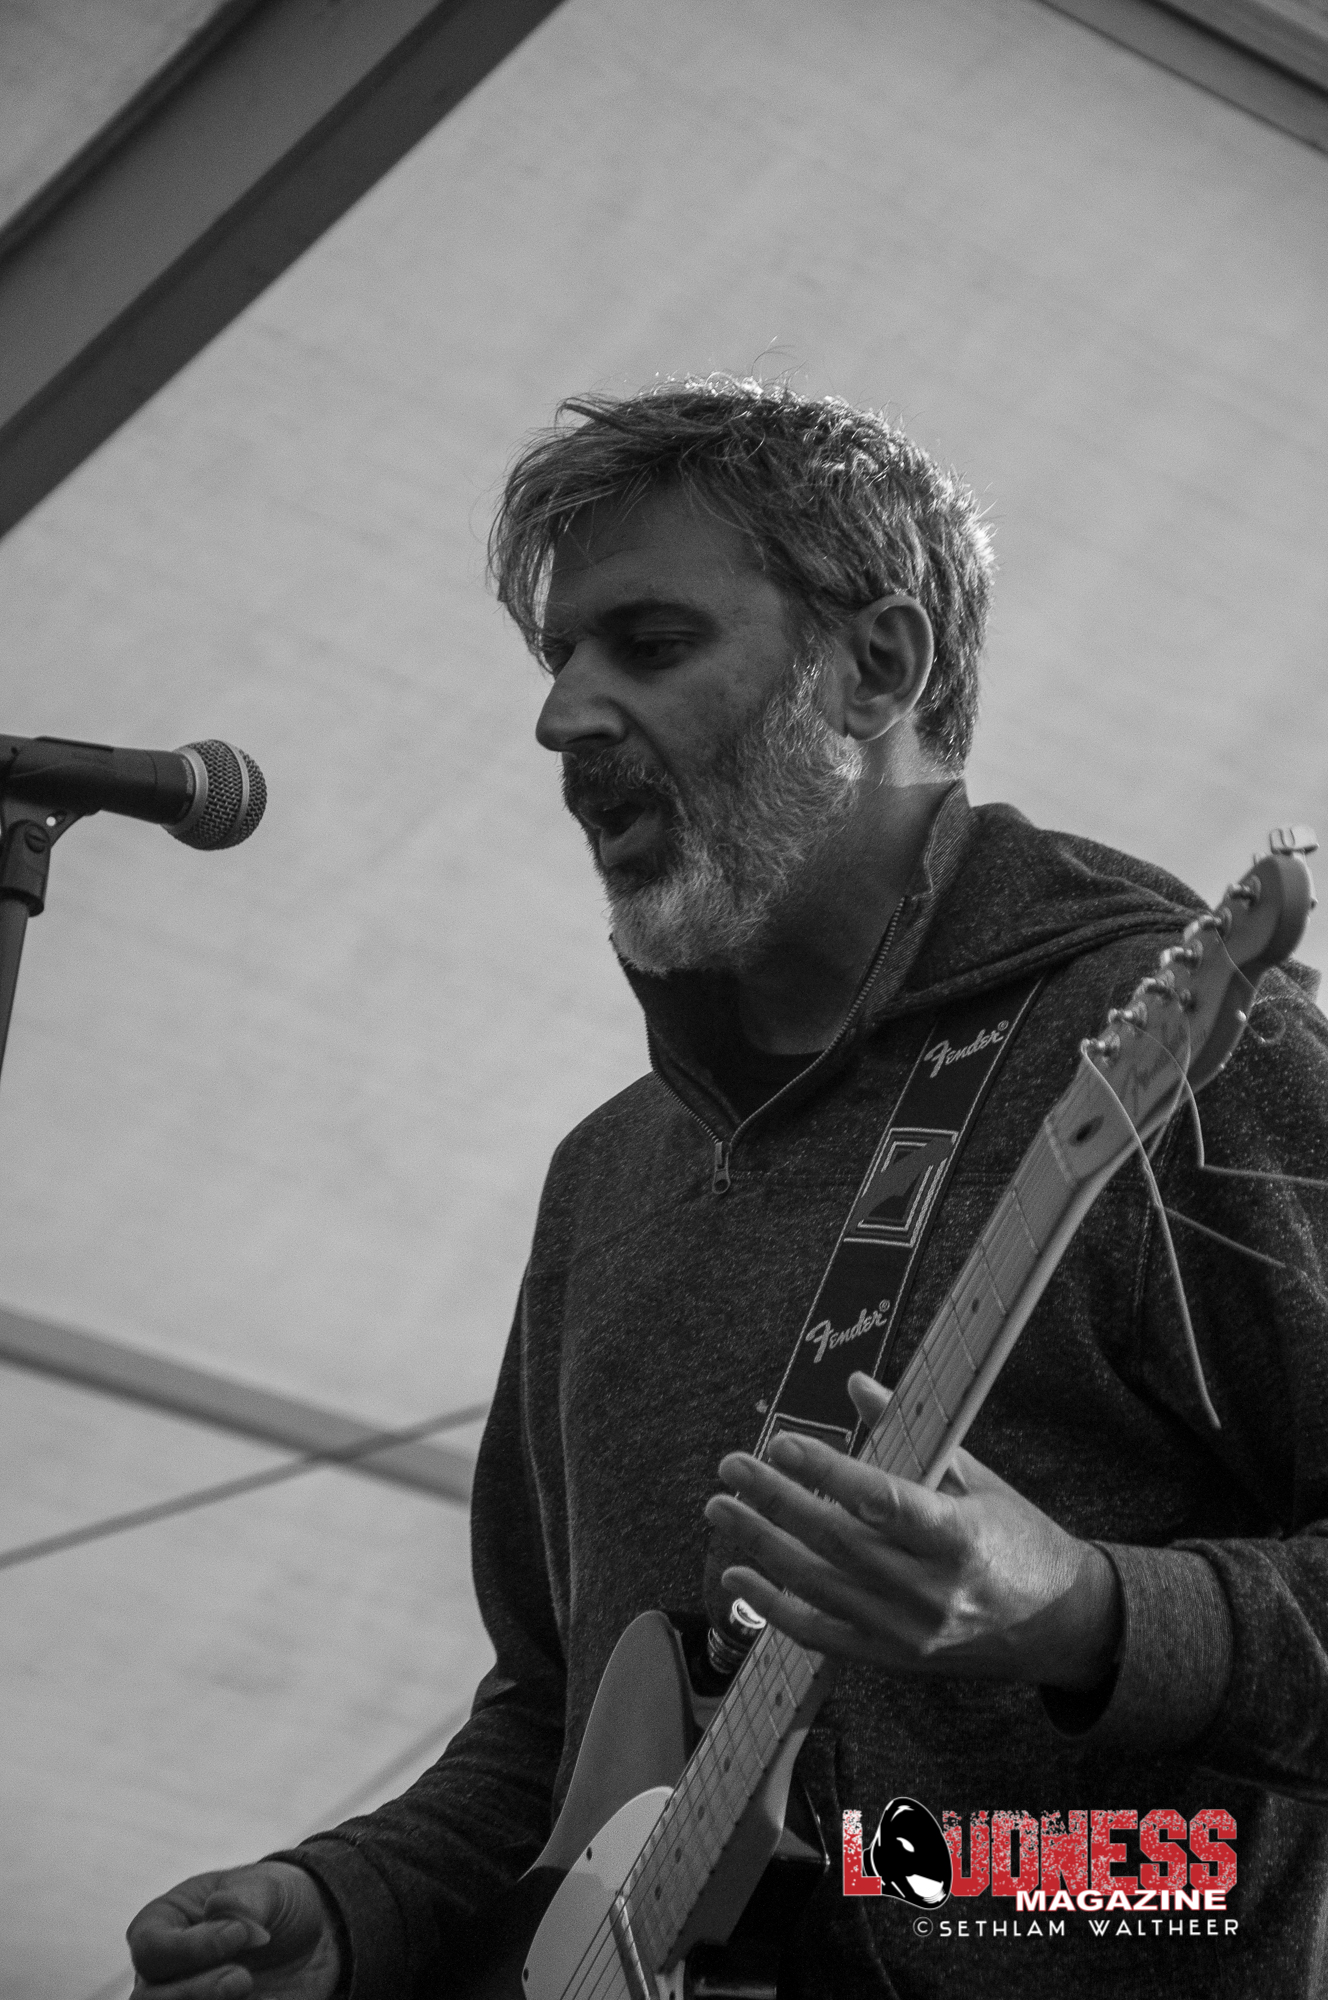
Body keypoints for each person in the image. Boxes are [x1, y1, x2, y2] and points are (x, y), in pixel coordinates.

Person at [127, 379, 1328, 2000]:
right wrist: (351, 1905)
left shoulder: (1171, 1051)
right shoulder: (607, 1178)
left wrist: (1088, 1615)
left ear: (876, 667)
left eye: (649, 643)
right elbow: (554, 1727)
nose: (563, 717)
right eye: (558, 658)